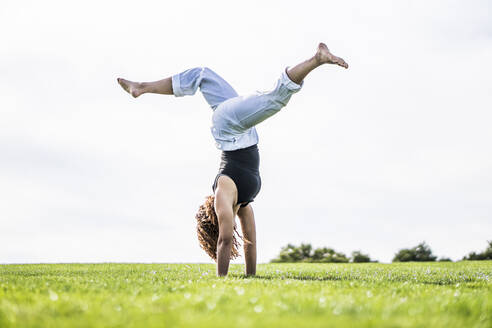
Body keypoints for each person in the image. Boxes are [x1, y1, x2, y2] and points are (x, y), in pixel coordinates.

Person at [117, 43, 348, 277]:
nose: (228, 224)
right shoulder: (244, 202)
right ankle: (141, 87)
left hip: (230, 129)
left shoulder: (223, 193)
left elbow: (225, 240)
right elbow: (250, 242)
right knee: (202, 75)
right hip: (239, 129)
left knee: (275, 98)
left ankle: (317, 59)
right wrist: (251, 276)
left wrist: (222, 279)